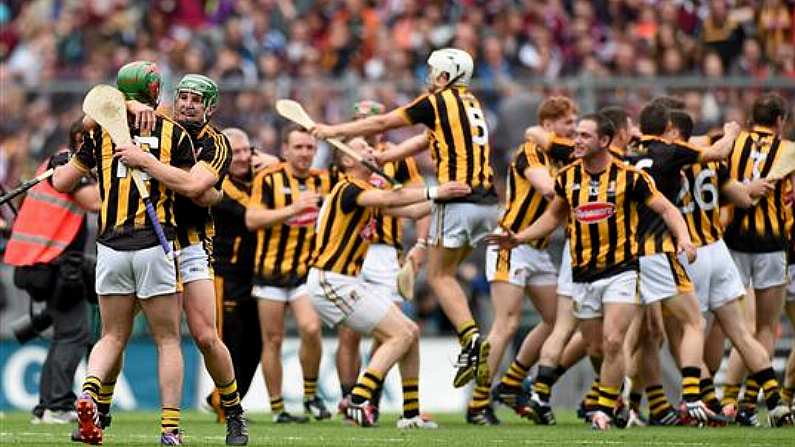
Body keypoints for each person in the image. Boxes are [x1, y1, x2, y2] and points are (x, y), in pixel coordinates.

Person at [487, 112, 696, 431]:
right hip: (584, 275)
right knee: (597, 347)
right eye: (577, 135)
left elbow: (667, 209)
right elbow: (553, 217)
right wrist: (519, 238)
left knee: (614, 341)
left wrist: (683, 239)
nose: (577, 141)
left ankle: (604, 411)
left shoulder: (631, 177)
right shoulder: (568, 177)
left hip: (622, 271)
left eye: (585, 136)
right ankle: (612, 399)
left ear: (604, 141)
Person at [312, 48, 499, 393]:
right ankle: (468, 342)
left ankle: (471, 342)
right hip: (487, 204)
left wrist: (332, 129)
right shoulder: (470, 104)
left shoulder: (436, 101)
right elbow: (427, 139)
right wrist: (390, 155)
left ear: (444, 76)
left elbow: (384, 123)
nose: (429, 78)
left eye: (432, 73)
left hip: (456, 197)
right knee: (449, 274)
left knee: (440, 276)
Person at [52, 61, 194, 446]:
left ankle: (89, 393)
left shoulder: (97, 137)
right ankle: (170, 429)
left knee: (112, 335)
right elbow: (193, 186)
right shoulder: (173, 133)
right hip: (155, 242)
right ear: (152, 91)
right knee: (167, 339)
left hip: (111, 247)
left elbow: (63, 182)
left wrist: (59, 166)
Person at [115, 74, 248, 445]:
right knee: (117, 332)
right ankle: (100, 408)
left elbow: (194, 187)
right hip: (147, 242)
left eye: (196, 99)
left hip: (190, 245)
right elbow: (98, 108)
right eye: (183, 96)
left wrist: (148, 162)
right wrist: (131, 103)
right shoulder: (155, 123)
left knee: (205, 335)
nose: (188, 103)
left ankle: (234, 412)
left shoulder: (218, 143)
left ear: (210, 107)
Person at [307, 137, 470, 427]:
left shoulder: (365, 190)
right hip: (331, 280)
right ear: (346, 160)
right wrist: (434, 189)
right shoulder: (350, 187)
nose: (372, 151)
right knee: (400, 335)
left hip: (344, 281)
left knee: (411, 332)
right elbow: (389, 199)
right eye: (364, 149)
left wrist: (450, 198)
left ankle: (410, 413)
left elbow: (411, 210)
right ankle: (358, 399)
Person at [666, 109, 793, 427]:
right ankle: (774, 402)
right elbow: (743, 199)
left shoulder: (664, 160)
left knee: (686, 330)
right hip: (718, 251)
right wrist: (755, 187)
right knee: (741, 332)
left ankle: (701, 402)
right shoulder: (712, 162)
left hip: (687, 253)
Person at [624, 101, 741, 425]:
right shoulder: (671, 151)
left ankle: (613, 402)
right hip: (659, 251)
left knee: (639, 333)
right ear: (670, 130)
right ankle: (693, 397)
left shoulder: (623, 154)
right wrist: (730, 132)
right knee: (693, 322)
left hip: (622, 255)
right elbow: (717, 153)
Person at [484, 96, 578, 426]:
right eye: (568, 122)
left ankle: (511, 383)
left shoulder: (564, 157)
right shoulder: (531, 151)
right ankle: (479, 401)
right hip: (510, 242)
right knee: (505, 324)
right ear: (549, 125)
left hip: (537, 249)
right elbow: (550, 190)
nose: (574, 127)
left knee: (556, 321)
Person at [333, 100, 429, 422]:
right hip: (353, 251)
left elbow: (420, 199)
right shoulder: (344, 157)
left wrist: (422, 244)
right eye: (359, 119)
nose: (366, 125)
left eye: (371, 120)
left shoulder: (399, 158)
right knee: (349, 334)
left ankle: (368, 398)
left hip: (386, 251)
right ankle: (350, 400)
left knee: (392, 330)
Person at [4, 120, 99, 425]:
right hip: (51, 265)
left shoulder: (53, 162)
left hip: (35, 263)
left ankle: (47, 406)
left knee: (64, 333)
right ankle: (57, 404)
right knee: (75, 334)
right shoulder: (70, 166)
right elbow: (95, 202)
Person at [245, 125, 331, 423]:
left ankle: (309, 395)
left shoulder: (325, 180)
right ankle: (278, 408)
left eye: (309, 147)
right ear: (285, 150)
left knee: (311, 328)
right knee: (274, 340)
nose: (305, 153)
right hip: (269, 271)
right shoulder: (269, 178)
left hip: (306, 272)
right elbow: (252, 219)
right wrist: (292, 209)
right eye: (299, 147)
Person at [720, 93, 795, 425]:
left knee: (740, 329)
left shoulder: (732, 143)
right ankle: (748, 401)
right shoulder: (789, 150)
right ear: (780, 121)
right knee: (765, 327)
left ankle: (726, 400)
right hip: (771, 246)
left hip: (732, 243)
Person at [204, 128, 278, 421]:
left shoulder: (258, 180)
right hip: (226, 275)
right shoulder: (219, 186)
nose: (245, 158)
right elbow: (251, 216)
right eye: (238, 152)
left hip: (256, 276)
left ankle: (220, 398)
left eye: (249, 150)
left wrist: (274, 162)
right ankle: (226, 406)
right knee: (230, 342)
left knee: (256, 345)